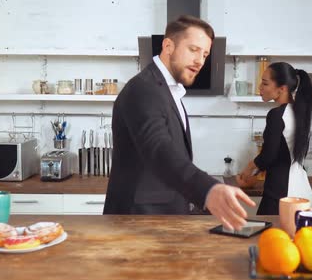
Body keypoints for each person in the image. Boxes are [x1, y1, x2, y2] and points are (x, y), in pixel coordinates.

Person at [103, 15, 255, 230]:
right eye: (193, 49)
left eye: (205, 54)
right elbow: (159, 150)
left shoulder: (167, 91)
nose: (200, 61)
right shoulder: (144, 89)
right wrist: (207, 189)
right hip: (139, 221)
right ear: (168, 46)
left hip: (161, 218)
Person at [236, 62, 312, 215]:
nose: (260, 87)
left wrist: (249, 168)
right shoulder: (301, 113)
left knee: (268, 236)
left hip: (280, 192)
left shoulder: (276, 114)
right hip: (302, 188)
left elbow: (268, 155)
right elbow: (283, 156)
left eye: (265, 83)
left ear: (282, 89)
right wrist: (256, 172)